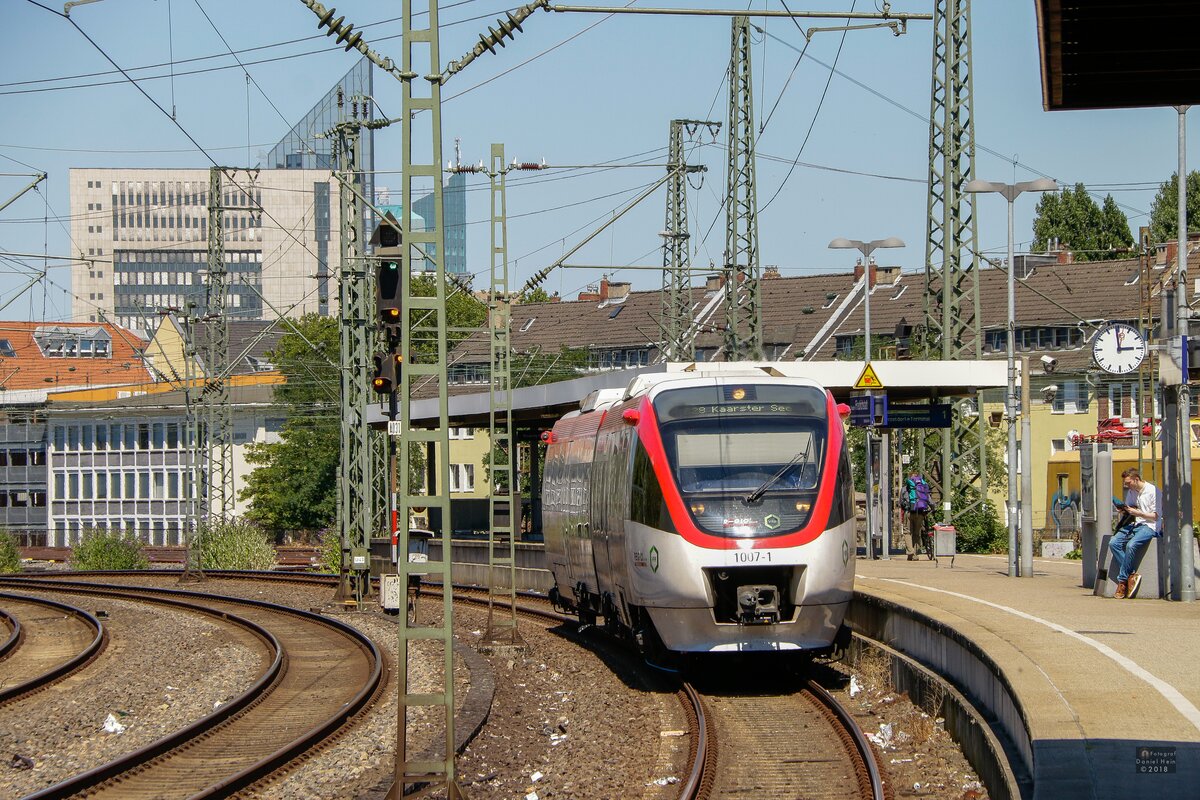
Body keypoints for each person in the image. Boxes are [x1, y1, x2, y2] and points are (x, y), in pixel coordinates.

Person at [1108, 468, 1162, 599]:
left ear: (1136, 479)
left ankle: (1122, 582)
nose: (1127, 486)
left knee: (1131, 545)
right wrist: (1124, 510)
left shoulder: (1153, 492)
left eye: (1128, 483)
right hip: (1134, 523)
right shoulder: (1132, 492)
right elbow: (1131, 507)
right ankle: (1131, 575)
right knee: (1113, 542)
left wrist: (1139, 513)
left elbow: (1156, 516)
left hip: (1149, 525)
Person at [901, 472, 932, 560]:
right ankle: (915, 554)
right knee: (916, 533)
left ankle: (910, 551)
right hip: (921, 513)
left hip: (909, 512)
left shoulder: (905, 488)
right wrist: (933, 507)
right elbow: (929, 500)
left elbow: (901, 502)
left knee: (907, 532)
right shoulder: (923, 487)